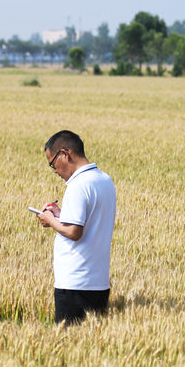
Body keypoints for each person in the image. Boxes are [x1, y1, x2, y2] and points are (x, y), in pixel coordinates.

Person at [35, 130, 117, 324]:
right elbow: (90, 220)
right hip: (99, 283)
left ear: (65, 154)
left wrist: (49, 220)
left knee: (67, 347)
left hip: (75, 284)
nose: (54, 170)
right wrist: (61, 215)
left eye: (52, 163)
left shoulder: (77, 185)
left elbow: (74, 231)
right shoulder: (104, 180)